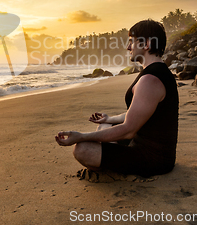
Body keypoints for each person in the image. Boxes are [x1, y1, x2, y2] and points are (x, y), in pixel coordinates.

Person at [55, 19, 179, 177]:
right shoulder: (154, 73)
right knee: (105, 125)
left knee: (82, 149)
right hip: (139, 143)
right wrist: (110, 118)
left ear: (146, 44)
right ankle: (109, 154)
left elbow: (128, 130)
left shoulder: (150, 80)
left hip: (153, 159)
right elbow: (136, 114)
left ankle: (109, 165)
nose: (128, 47)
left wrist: (81, 136)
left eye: (131, 42)